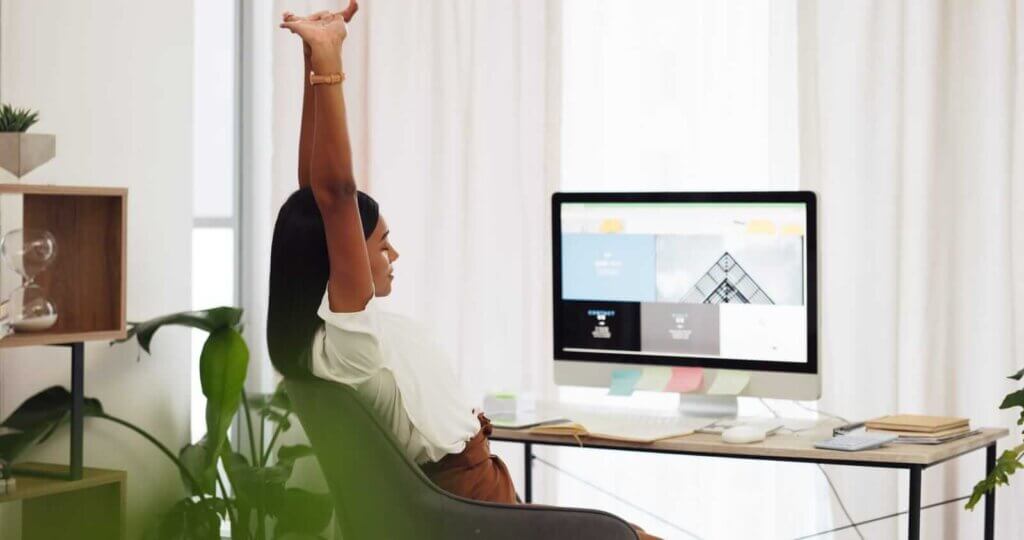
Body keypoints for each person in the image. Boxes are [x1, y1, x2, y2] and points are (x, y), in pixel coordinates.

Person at [268, 4, 658, 538]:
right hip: (468, 505)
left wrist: (314, 63)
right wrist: (333, 61)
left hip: (462, 501)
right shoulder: (351, 344)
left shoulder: (318, 342)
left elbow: (316, 193)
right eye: (382, 245)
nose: (393, 256)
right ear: (341, 259)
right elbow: (334, 195)